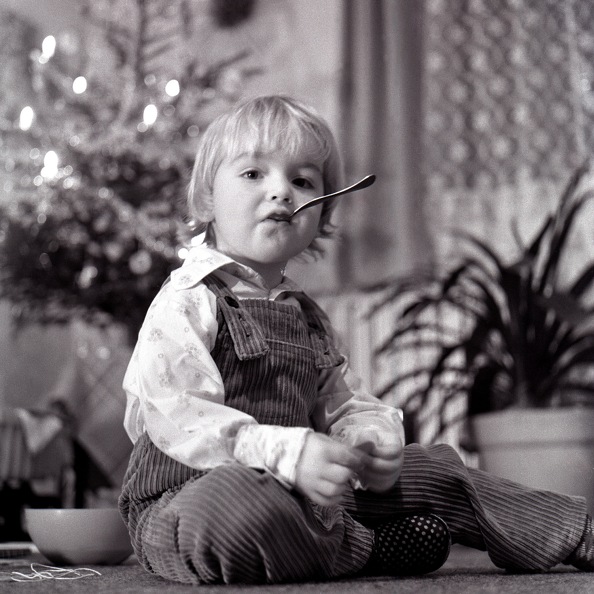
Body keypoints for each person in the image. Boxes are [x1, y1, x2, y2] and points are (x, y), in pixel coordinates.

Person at [119, 95, 594, 585]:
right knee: (240, 506)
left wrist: (369, 447)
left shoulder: (308, 318)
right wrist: (285, 454)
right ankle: (367, 549)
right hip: (187, 501)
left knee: (436, 468)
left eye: (303, 181)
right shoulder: (186, 299)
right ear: (206, 201)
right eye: (253, 173)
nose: (281, 191)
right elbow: (179, 415)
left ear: (322, 215)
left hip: (302, 497)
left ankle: (578, 533)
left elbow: (346, 405)